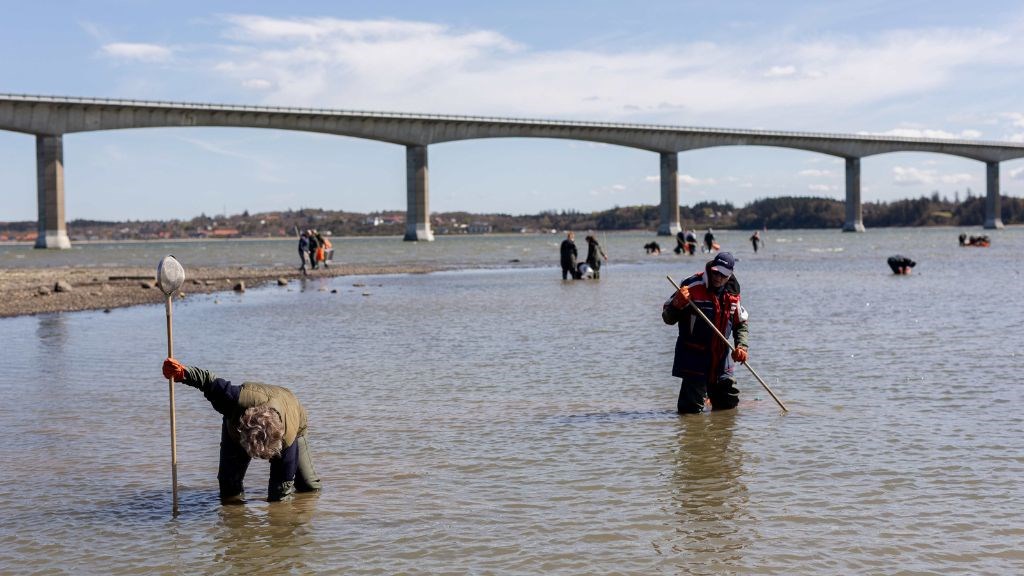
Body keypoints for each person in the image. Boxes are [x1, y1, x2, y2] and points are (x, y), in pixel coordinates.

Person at [161, 358, 322, 502]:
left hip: (292, 412)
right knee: (228, 485)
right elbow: (207, 381)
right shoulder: (233, 400)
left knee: (305, 486)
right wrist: (182, 373)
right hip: (237, 426)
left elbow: (281, 491)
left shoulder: (287, 438)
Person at [662, 252, 749, 414]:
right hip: (694, 357)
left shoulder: (733, 295)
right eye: (716, 272)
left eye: (723, 275)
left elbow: (741, 323)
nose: (718, 278)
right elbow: (667, 318)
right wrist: (676, 304)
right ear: (711, 268)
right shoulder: (691, 286)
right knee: (690, 413)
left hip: (722, 358)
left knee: (728, 407)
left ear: (730, 275)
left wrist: (742, 346)